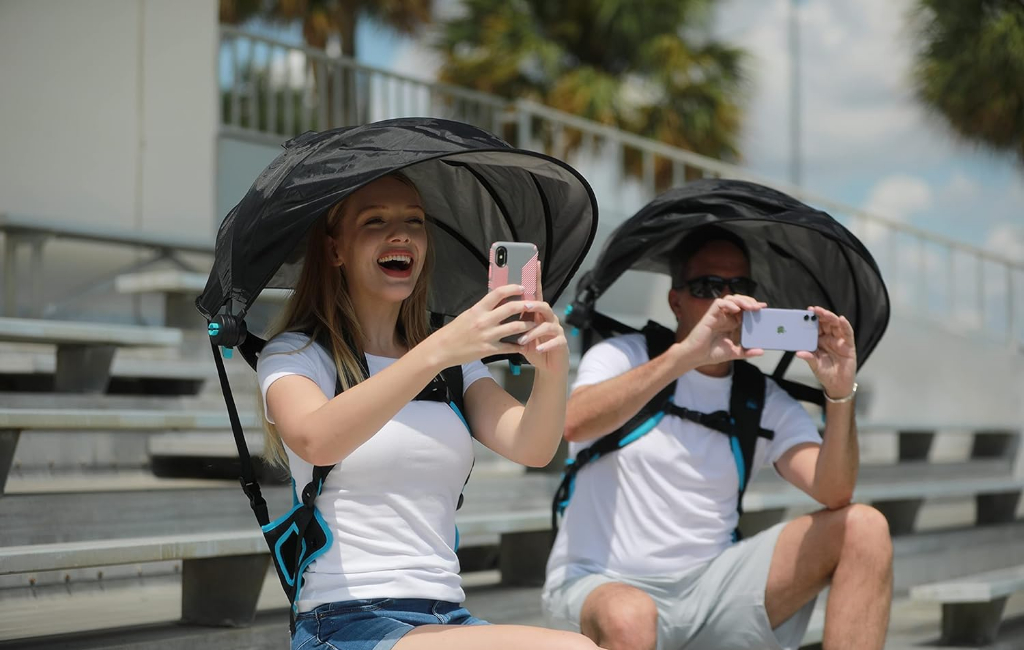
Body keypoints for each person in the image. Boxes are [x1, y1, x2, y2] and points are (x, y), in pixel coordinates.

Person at [257, 173, 596, 650]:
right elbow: (316, 438)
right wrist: (438, 350)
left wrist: (552, 370)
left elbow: (532, 446)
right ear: (335, 250)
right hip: (342, 623)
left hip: (444, 617)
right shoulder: (296, 354)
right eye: (375, 220)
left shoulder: (455, 362)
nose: (401, 234)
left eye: (414, 221)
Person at [542, 226, 893, 650]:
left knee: (865, 528)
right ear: (676, 301)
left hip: (714, 589)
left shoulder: (761, 398)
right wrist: (687, 354)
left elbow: (834, 490)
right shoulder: (623, 355)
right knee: (630, 615)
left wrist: (839, 394)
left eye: (738, 286)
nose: (725, 300)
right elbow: (574, 423)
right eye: (707, 286)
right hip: (599, 582)